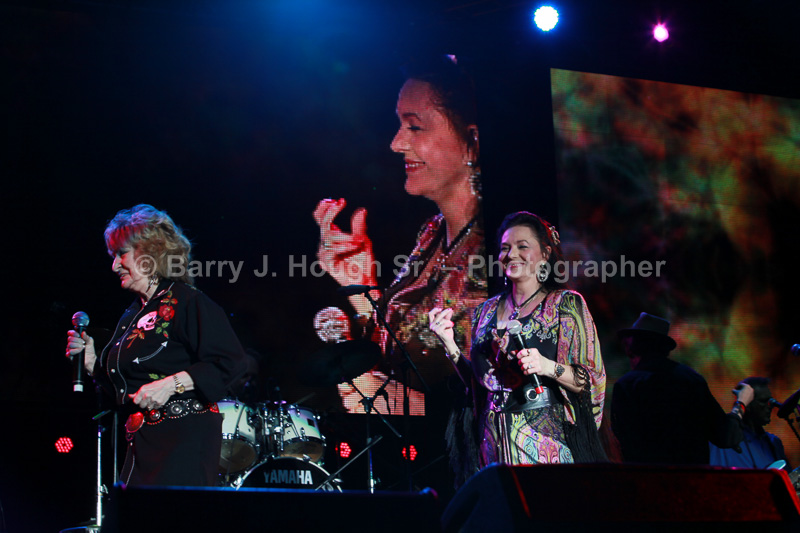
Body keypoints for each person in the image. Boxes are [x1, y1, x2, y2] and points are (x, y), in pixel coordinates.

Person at [313, 55, 487, 415]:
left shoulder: (502, 244)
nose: (395, 143)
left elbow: (511, 394)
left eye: (415, 127)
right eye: (399, 125)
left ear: (472, 141)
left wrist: (415, 406)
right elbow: (400, 354)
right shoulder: (432, 233)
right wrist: (362, 287)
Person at [65, 204, 252, 486]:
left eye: (121, 254)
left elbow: (231, 361)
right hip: (143, 443)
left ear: (149, 253)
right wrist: (92, 365)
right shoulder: (133, 314)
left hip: (184, 439)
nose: (114, 266)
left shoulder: (187, 301)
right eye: (113, 256)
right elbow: (129, 391)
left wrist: (171, 384)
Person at [429, 211, 607, 481]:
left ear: (545, 254)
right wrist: (449, 344)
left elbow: (588, 380)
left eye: (522, 246)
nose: (511, 254)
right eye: (505, 248)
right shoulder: (485, 312)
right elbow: (478, 387)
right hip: (492, 450)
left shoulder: (565, 304)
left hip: (546, 448)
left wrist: (547, 366)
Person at [611, 312, 752, 465]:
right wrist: (740, 404)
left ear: (633, 348)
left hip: (644, 478)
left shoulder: (626, 386)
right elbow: (725, 436)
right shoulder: (692, 381)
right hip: (690, 478)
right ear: (665, 348)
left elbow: (619, 443)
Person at [709, 376, 789, 469]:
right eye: (763, 401)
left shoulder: (774, 442)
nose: (770, 407)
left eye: (770, 402)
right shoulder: (723, 434)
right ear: (747, 403)